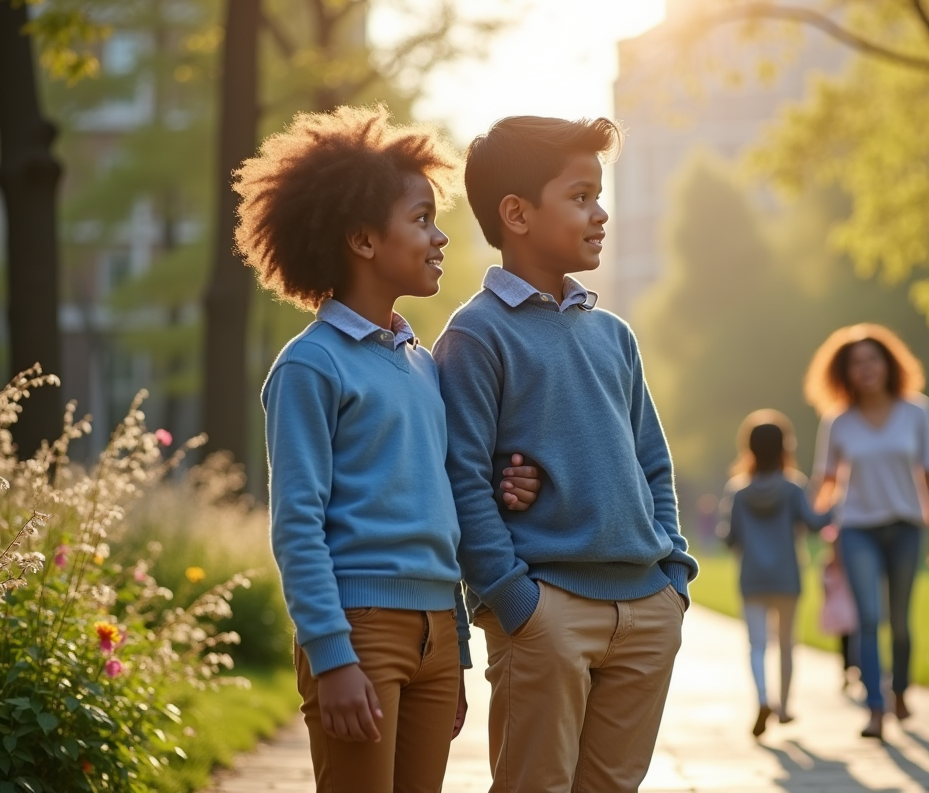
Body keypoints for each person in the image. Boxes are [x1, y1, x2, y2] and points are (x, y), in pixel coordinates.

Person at [243, 104, 542, 793]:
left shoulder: (422, 363)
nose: (440, 238)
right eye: (421, 220)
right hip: (359, 628)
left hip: (437, 631)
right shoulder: (310, 367)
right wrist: (332, 655)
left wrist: (456, 648)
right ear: (363, 240)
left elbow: (436, 503)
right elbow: (297, 524)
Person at [433, 115, 699, 793]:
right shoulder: (475, 335)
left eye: (599, 194)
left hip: (647, 608)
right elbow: (463, 479)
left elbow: (653, 465)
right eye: (580, 196)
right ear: (517, 214)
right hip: (545, 611)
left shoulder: (614, 335)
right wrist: (514, 599)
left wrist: (673, 577)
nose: (601, 213)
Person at [806, 323, 929, 740]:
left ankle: (900, 691)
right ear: (844, 373)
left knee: (899, 621)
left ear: (889, 364)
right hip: (856, 530)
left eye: (873, 360)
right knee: (868, 618)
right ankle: (874, 707)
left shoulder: (917, 411)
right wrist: (808, 516)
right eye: (856, 364)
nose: (865, 369)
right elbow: (826, 484)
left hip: (906, 526)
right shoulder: (838, 421)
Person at [718, 409, 830, 737]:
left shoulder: (737, 491)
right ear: (785, 447)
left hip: (752, 577)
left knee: (756, 644)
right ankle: (784, 706)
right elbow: (814, 523)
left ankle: (763, 698)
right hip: (787, 576)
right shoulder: (794, 488)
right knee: (786, 643)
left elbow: (729, 538)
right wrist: (837, 502)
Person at [817, 525, 859, 690]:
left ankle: (856, 670)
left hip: (849, 608)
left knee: (855, 642)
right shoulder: (828, 564)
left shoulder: (850, 562)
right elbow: (824, 587)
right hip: (839, 610)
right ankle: (847, 671)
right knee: (844, 643)